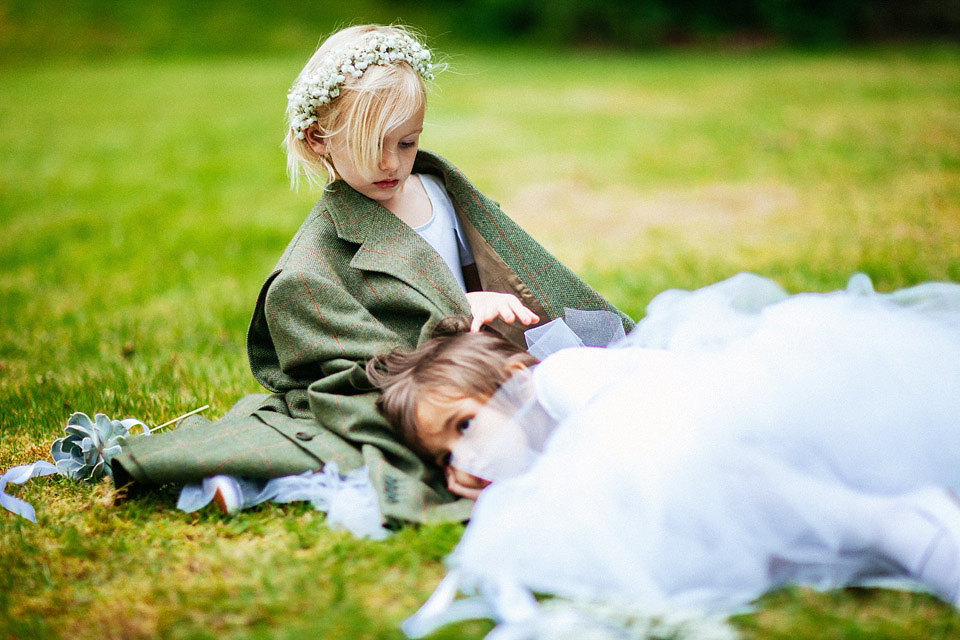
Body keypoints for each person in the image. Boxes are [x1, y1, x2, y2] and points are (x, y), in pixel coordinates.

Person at [110, 24, 632, 524]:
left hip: (485, 357)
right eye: (371, 145)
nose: (392, 163)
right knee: (369, 437)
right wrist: (454, 317)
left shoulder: (441, 189)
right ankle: (248, 475)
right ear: (319, 140)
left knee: (591, 398)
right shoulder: (308, 271)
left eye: (406, 142)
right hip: (414, 383)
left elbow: (505, 263)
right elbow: (353, 370)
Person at [367, 273, 960, 632]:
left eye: (464, 426)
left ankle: (898, 524)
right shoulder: (539, 446)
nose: (462, 460)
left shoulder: (563, 377)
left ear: (516, 377)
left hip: (737, 421)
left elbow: (658, 431)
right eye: (444, 457)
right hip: (715, 467)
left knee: (781, 491)